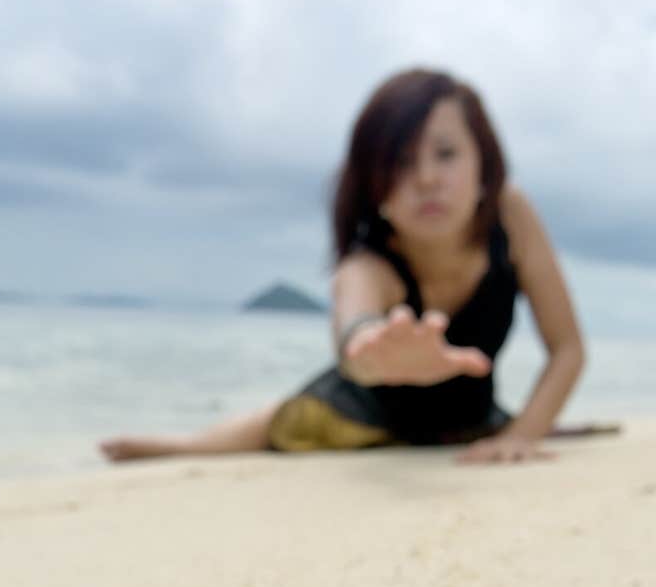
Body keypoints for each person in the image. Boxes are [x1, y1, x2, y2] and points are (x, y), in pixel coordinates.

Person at [100, 67, 598, 468]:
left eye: (446, 154)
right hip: (357, 413)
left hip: (471, 418)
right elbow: (355, 335)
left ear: (484, 164)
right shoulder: (367, 265)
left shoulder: (513, 217)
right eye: (401, 163)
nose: (426, 178)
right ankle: (186, 445)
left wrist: (523, 435)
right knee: (289, 420)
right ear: (372, 185)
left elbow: (568, 348)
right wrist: (376, 356)